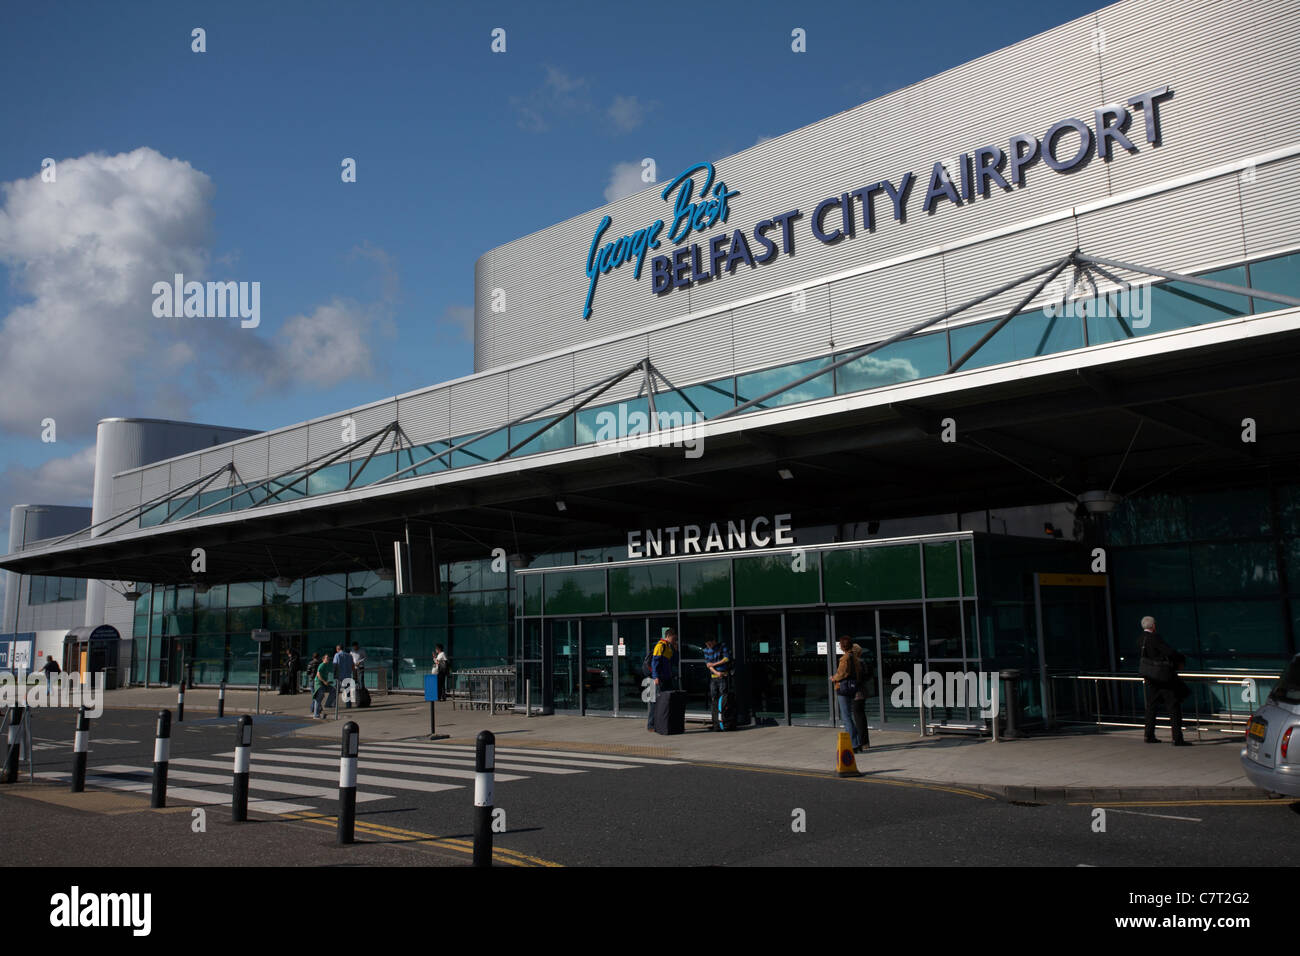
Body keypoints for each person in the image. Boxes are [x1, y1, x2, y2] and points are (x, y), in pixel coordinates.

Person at [1140, 616, 1190, 746]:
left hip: (1150, 677)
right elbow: (1169, 651)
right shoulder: (1154, 638)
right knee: (1173, 706)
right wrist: (1180, 659)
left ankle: (1149, 734)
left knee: (1151, 706)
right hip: (1162, 677)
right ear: (1153, 626)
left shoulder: (1141, 639)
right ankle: (1177, 737)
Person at [832, 636, 864, 751]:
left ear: (842, 646)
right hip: (851, 688)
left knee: (846, 717)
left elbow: (842, 674)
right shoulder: (854, 657)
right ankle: (856, 742)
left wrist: (833, 678)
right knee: (848, 717)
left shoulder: (845, 658)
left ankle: (854, 744)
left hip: (843, 689)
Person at [646, 628, 677, 732]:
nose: (674, 640)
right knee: (655, 701)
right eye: (673, 638)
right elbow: (655, 663)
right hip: (659, 678)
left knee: (667, 700)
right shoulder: (660, 646)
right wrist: (655, 677)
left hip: (667, 678)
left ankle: (663, 722)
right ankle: (651, 725)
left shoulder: (669, 647)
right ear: (668, 636)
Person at [703, 636, 731, 731]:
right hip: (714, 677)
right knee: (714, 700)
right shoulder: (706, 650)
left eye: (710, 644)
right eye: (707, 644)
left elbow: (726, 659)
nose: (709, 646)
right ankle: (716, 723)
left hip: (723, 676)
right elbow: (708, 664)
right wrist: (716, 672)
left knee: (723, 699)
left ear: (714, 641)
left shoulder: (722, 646)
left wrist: (714, 665)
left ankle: (724, 721)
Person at [313, 651, 335, 719]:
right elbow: (318, 674)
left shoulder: (327, 665)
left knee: (333, 690)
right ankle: (316, 715)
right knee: (319, 697)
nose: (328, 659)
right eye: (326, 658)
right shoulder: (322, 665)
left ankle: (327, 704)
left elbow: (331, 671)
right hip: (319, 683)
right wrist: (324, 681)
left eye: (328, 658)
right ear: (323, 659)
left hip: (324, 683)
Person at [333, 643, 354, 708]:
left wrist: (334, 674)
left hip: (339, 675)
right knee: (347, 691)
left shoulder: (337, 655)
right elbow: (353, 665)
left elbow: (335, 665)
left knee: (336, 691)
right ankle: (348, 705)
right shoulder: (349, 655)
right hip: (348, 675)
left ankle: (334, 704)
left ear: (337, 649)